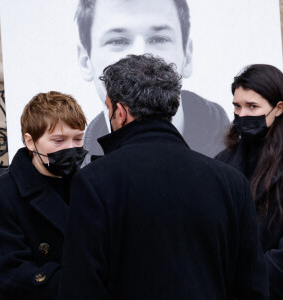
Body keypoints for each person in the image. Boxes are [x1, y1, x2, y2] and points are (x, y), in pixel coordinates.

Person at [59, 54, 268, 299]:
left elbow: (81, 288)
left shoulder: (95, 181)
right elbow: (251, 287)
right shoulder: (231, 183)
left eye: (108, 108)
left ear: (120, 112)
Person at [75, 0, 230, 161]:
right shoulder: (73, 180)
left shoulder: (245, 166)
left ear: (188, 57)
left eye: (159, 39)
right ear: (85, 61)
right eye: (117, 41)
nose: (141, 54)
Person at [0, 91, 87, 300]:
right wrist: (83, 283)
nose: (71, 148)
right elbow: (9, 273)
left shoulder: (90, 186)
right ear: (30, 142)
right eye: (59, 140)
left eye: (77, 139)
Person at [215, 64, 283, 299]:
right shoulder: (223, 163)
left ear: (279, 108)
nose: (242, 115)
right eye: (237, 106)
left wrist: (250, 282)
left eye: (252, 106)